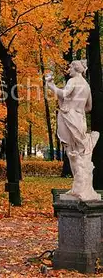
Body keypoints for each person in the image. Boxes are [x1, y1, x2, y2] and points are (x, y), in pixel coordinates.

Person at [46, 60, 100, 201]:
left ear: (76, 68)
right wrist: (78, 106)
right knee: (81, 152)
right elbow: (89, 107)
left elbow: (63, 94)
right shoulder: (87, 86)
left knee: (71, 151)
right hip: (80, 119)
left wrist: (51, 86)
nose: (69, 68)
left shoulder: (73, 81)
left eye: (70, 66)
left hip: (68, 117)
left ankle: (79, 186)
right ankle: (82, 187)